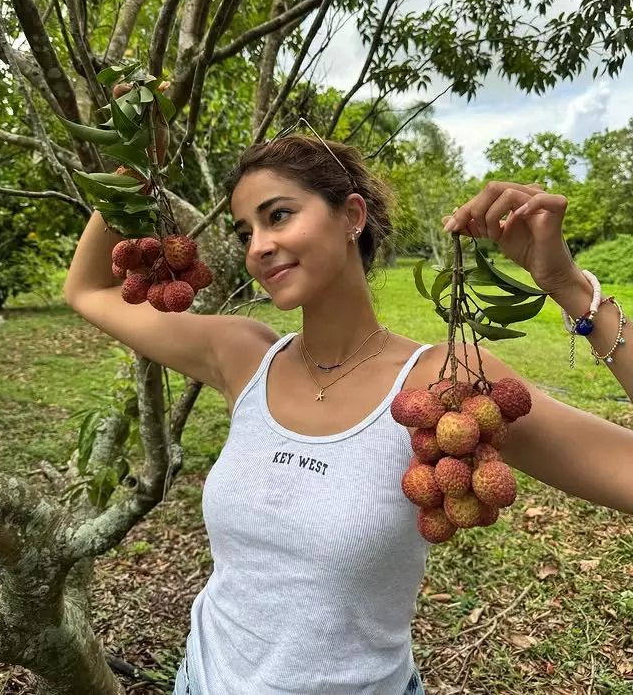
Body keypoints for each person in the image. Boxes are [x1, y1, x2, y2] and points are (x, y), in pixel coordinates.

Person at [63, 130, 633, 695]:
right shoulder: (242, 356)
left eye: (279, 215)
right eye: (245, 232)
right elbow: (89, 290)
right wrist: (131, 174)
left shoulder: (446, 386)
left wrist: (568, 286)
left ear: (351, 215)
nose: (258, 246)